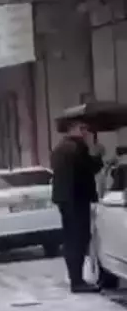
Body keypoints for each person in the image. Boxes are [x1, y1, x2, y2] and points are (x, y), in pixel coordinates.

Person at [50, 120, 103, 293]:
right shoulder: (78, 148)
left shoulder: (59, 148)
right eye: (83, 129)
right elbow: (89, 168)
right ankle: (77, 281)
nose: (86, 132)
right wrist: (98, 155)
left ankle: (75, 278)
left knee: (71, 238)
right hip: (77, 199)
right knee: (79, 239)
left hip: (65, 200)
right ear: (74, 130)